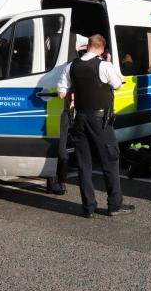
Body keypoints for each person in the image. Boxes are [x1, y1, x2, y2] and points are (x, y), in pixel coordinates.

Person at [59, 34, 134, 218]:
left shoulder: (71, 66)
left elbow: (62, 93)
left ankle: (88, 207)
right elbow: (118, 85)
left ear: (88, 46)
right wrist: (108, 62)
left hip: (80, 118)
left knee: (84, 165)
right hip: (100, 121)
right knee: (110, 160)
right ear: (102, 48)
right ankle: (114, 205)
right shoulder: (104, 65)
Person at [47, 35, 90, 195]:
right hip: (52, 106)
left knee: (59, 147)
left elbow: (90, 43)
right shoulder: (66, 63)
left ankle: (57, 180)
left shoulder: (73, 38)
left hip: (59, 108)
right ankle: (55, 180)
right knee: (54, 146)